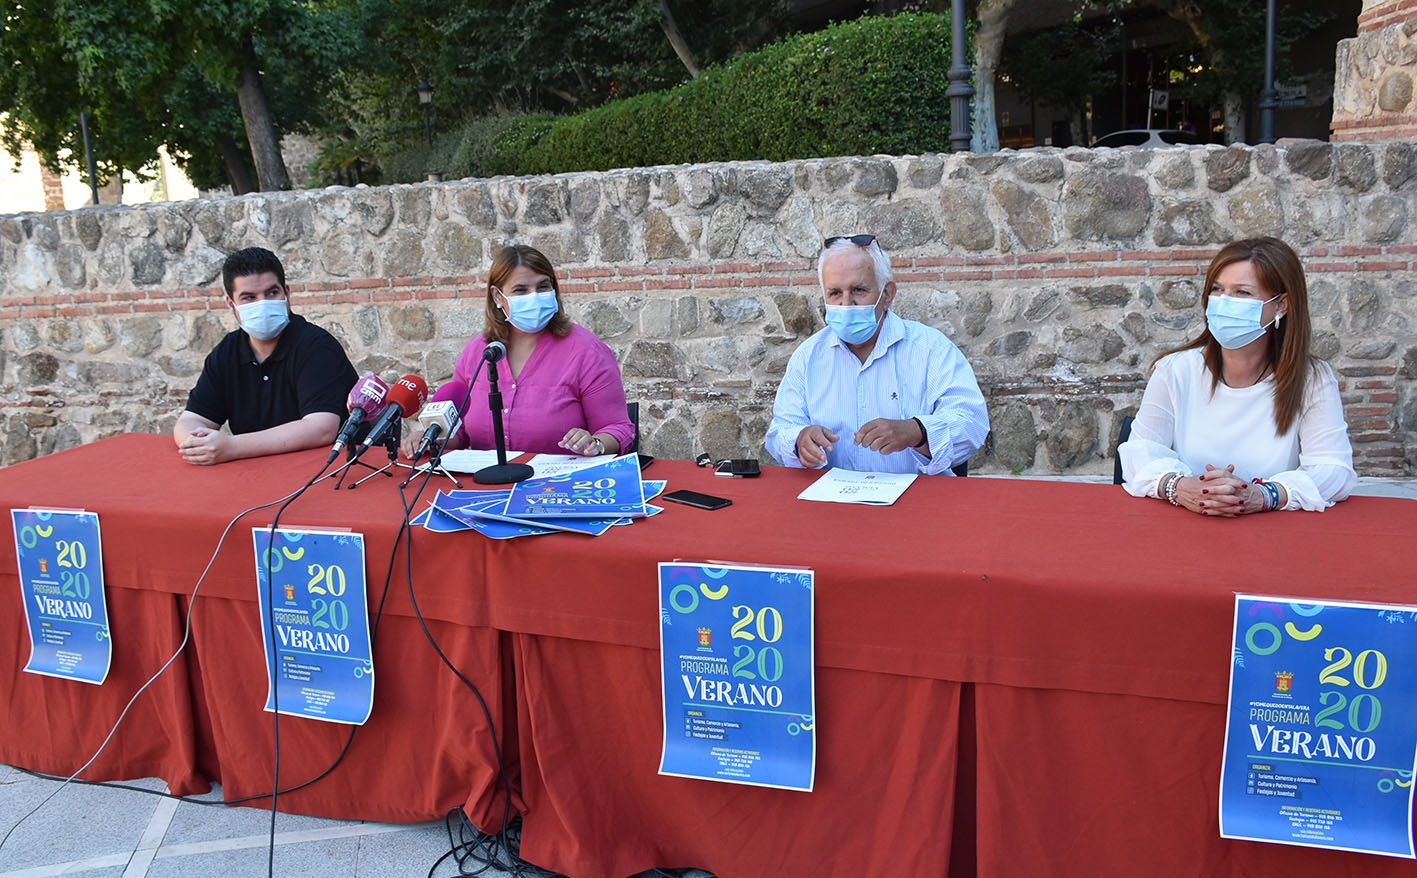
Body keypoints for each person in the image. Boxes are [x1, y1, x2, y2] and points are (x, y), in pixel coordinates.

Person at [1119, 237, 1356, 514]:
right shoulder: (1175, 371)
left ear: (1281, 306)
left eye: (1242, 293)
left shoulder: (1312, 379)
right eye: (1217, 290)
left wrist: (1263, 495)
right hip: (1184, 526)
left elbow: (1334, 470)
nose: (1224, 303)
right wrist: (1182, 488)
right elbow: (1139, 453)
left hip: (1272, 535)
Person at [765, 234, 989, 475]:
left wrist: (917, 431)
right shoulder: (808, 357)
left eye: (859, 290)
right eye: (834, 293)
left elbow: (971, 423)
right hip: (833, 506)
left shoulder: (931, 350)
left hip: (917, 503)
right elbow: (780, 430)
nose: (846, 304)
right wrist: (799, 440)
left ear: (888, 295)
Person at [403, 244, 634, 457]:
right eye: (521, 290)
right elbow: (460, 434)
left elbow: (618, 429)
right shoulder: (476, 354)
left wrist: (595, 443)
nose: (534, 297)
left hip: (559, 489)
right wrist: (428, 439)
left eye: (542, 287)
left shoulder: (587, 352)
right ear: (497, 297)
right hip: (487, 489)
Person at [173, 247, 358, 465]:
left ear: (286, 293)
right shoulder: (227, 352)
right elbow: (193, 418)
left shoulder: (316, 346)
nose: (262, 304)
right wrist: (196, 444)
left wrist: (231, 447)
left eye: (272, 293)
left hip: (325, 473)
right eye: (249, 297)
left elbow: (321, 428)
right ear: (231, 304)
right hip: (256, 473)